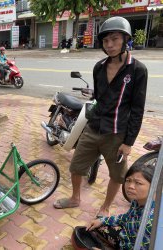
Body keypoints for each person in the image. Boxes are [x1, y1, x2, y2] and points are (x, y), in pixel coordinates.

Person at [53, 16, 148, 218]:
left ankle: (105, 208)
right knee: (76, 166)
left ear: (125, 39)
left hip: (117, 134)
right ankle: (75, 198)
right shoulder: (99, 67)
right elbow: (98, 97)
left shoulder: (138, 70)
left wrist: (129, 142)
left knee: (117, 175)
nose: (110, 44)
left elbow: (137, 108)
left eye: (114, 39)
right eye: (106, 41)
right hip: (93, 128)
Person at [86, 164, 155, 249]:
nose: (130, 186)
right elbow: (126, 217)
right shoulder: (137, 200)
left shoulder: (151, 222)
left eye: (138, 183)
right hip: (126, 238)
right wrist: (102, 220)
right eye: (128, 180)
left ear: (154, 186)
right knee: (96, 227)